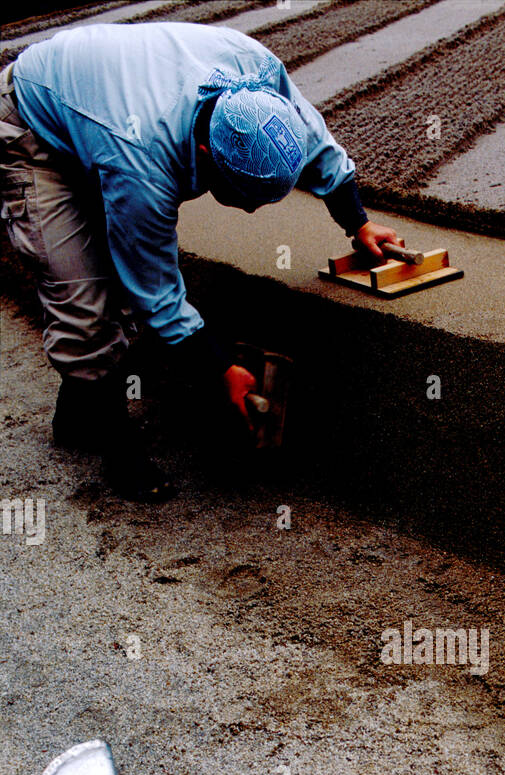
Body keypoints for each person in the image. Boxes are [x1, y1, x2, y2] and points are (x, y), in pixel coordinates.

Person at [0, 21, 401, 501]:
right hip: (32, 124)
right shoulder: (143, 163)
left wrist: (358, 223)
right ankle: (117, 448)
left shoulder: (256, 77)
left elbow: (314, 142)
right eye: (242, 197)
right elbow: (156, 290)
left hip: (98, 103)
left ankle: (81, 407)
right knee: (85, 300)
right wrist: (220, 369)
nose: (251, 210)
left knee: (113, 294)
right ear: (207, 153)